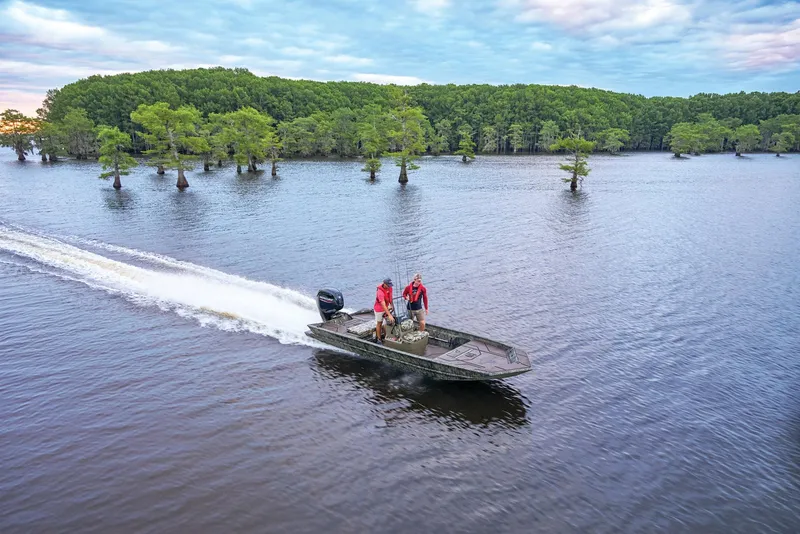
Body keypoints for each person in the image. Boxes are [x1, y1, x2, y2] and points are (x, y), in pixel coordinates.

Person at [374, 278, 394, 344]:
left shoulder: (390, 288)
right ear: (384, 284)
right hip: (379, 308)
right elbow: (383, 305)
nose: (389, 287)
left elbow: (390, 298)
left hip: (387, 305)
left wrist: (392, 306)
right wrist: (389, 315)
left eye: (390, 285)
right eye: (388, 285)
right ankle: (379, 339)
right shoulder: (380, 292)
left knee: (387, 323)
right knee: (379, 323)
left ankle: (387, 337)